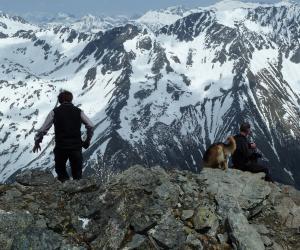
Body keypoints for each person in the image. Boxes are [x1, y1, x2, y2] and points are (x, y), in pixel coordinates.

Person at [33, 90, 94, 182]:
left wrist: (37, 141)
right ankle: (77, 192)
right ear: (71, 99)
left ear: (60, 100)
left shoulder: (54, 112)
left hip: (61, 147)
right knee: (77, 174)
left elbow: (43, 130)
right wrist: (87, 140)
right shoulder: (79, 111)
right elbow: (91, 125)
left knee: (60, 171)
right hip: (76, 146)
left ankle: (65, 188)